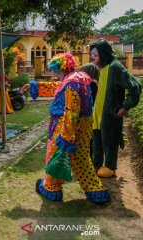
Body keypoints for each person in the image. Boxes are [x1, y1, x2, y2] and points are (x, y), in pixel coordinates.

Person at [24, 53, 110, 203]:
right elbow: (57, 88)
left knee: (56, 157)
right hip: (83, 128)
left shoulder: (71, 83)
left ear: (62, 68)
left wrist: (67, 136)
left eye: (56, 71)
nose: (56, 75)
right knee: (82, 160)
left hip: (67, 127)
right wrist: (35, 84)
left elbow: (72, 111)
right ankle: (95, 190)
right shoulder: (79, 78)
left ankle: (52, 188)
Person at [89, 39, 142, 178]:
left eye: (95, 54)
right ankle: (97, 164)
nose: (92, 57)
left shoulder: (115, 67)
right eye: (92, 54)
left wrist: (126, 107)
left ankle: (110, 167)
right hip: (98, 115)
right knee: (97, 141)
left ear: (103, 53)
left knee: (110, 141)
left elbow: (135, 86)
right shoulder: (102, 68)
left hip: (110, 115)